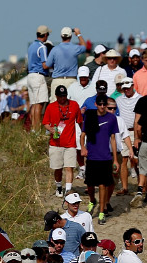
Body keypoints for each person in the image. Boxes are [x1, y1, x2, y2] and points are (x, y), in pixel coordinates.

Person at [81, 93, 120, 224]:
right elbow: (83, 134)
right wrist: (82, 147)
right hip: (92, 155)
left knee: (103, 185)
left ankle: (102, 212)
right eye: (100, 104)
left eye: (105, 104)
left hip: (105, 157)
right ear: (96, 104)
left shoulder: (111, 118)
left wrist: (115, 159)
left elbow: (113, 140)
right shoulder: (90, 116)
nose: (103, 106)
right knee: (90, 184)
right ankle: (92, 200)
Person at [44, 86, 83, 198]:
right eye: (60, 96)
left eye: (64, 96)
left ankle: (68, 190)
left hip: (70, 143)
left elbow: (80, 121)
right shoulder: (51, 107)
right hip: (55, 143)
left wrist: (83, 134)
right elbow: (46, 122)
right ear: (56, 96)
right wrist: (50, 129)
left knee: (69, 167)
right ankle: (59, 186)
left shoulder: (74, 105)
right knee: (58, 168)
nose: (63, 98)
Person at [46, 26, 87, 101]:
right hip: (71, 80)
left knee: (55, 105)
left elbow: (47, 64)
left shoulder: (55, 49)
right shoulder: (75, 48)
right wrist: (78, 34)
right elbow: (84, 46)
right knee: (71, 104)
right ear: (70, 36)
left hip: (57, 80)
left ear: (61, 36)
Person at [26, 26, 52, 130]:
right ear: (45, 35)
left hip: (30, 76)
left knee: (33, 104)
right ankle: (36, 129)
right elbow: (45, 65)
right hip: (38, 76)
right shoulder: (42, 47)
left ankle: (33, 128)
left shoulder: (31, 46)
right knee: (39, 105)